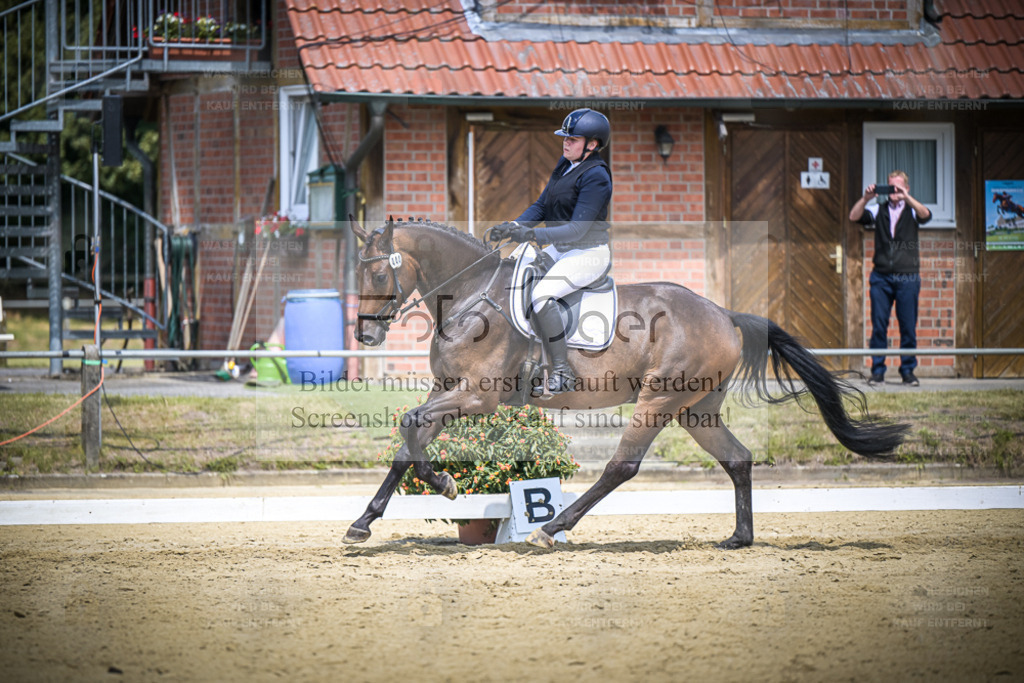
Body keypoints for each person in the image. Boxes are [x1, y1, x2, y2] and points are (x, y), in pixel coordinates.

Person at [490, 108, 613, 396]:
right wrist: (513, 226)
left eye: (573, 139)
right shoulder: (565, 164)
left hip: (588, 253)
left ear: (592, 145)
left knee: (541, 296)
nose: (565, 142)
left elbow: (577, 230)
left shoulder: (597, 176)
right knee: (512, 268)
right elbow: (542, 206)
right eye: (565, 138)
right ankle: (519, 361)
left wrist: (533, 234)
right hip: (561, 248)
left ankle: (562, 371)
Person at [848, 170, 932, 386]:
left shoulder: (912, 211)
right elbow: (854, 217)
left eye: (899, 187)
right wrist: (866, 199)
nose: (894, 192)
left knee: (907, 326)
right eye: (891, 187)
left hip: (908, 278)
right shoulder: (878, 210)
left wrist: (907, 198)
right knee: (878, 326)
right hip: (881, 278)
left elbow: (926, 215)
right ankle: (877, 372)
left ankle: (907, 372)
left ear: (906, 188)